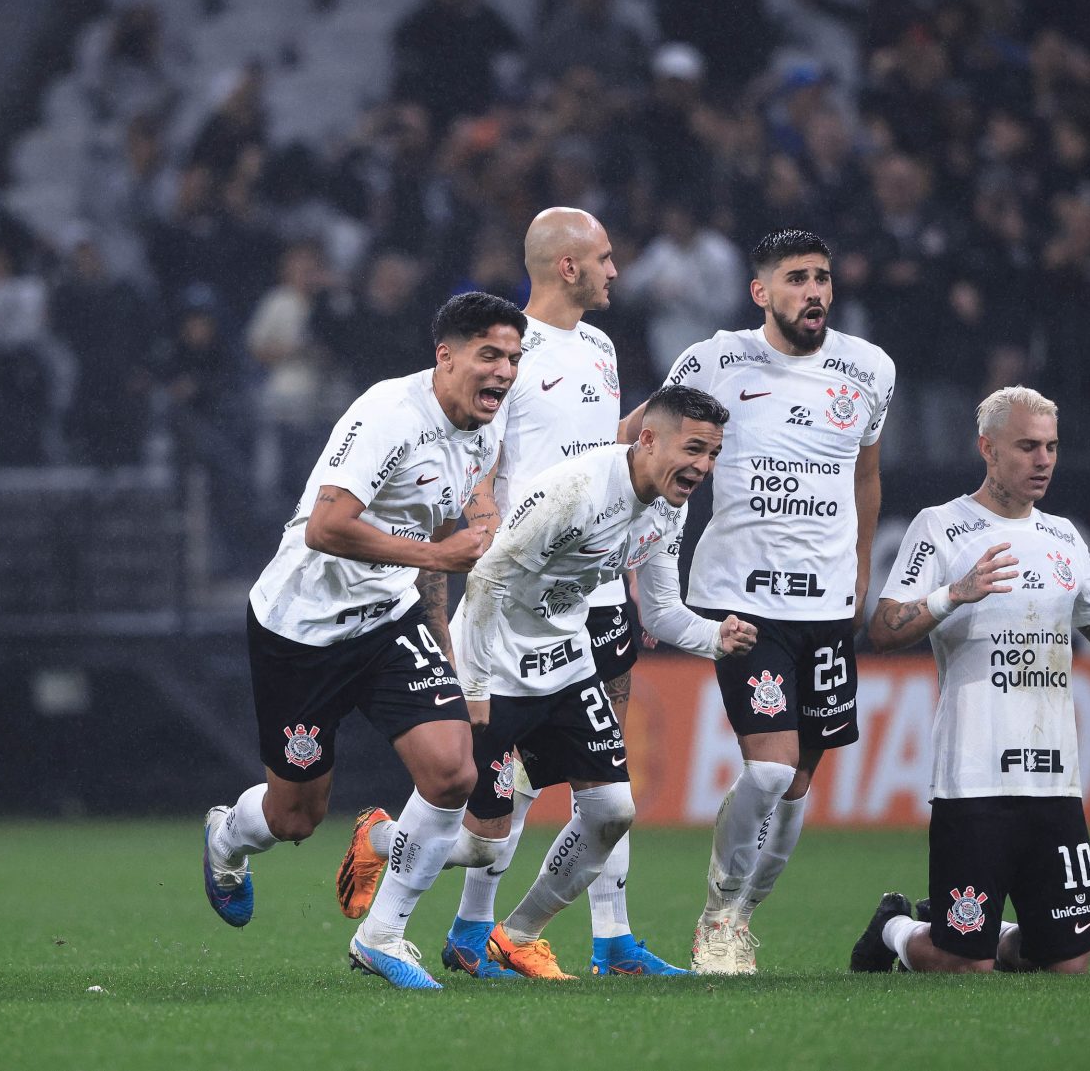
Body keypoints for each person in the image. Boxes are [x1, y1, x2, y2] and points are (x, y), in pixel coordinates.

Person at [365, 387, 754, 983]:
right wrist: (473, 688)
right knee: (482, 845)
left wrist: (712, 638)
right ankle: (381, 866)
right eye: (694, 448)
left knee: (612, 811)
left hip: (568, 665)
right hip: (497, 666)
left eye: (713, 453)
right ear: (647, 439)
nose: (703, 466)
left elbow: (661, 608)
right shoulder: (575, 491)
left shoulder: (668, 508)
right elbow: (488, 581)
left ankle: (514, 935)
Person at [200, 292, 523, 990]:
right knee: (295, 816)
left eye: (514, 358)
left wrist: (443, 646)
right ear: (447, 356)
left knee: (451, 770)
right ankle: (228, 835)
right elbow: (326, 525)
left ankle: (382, 934)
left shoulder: (483, 433)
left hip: (386, 616)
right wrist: (436, 558)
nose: (503, 371)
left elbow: (438, 539)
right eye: (490, 354)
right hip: (301, 630)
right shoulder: (390, 413)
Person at [618, 228, 894, 974]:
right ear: (761, 292)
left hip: (828, 608)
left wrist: (862, 569)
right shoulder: (715, 359)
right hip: (742, 603)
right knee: (769, 772)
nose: (816, 292)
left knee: (799, 785)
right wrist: (600, 525)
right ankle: (715, 914)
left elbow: (865, 477)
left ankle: (741, 915)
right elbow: (639, 439)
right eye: (798, 278)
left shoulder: (869, 368)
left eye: (824, 277)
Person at [430, 207, 686, 978]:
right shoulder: (509, 350)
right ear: (567, 266)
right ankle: (473, 928)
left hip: (596, 584)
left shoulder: (603, 346)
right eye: (604, 258)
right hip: (520, 596)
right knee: (500, 774)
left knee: (605, 765)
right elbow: (476, 457)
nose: (616, 270)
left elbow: (603, 451)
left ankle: (612, 937)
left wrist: (674, 401)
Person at [850, 387, 1090, 976]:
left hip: (1054, 781)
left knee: (1065, 963)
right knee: (964, 964)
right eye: (1027, 446)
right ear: (988, 449)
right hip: (973, 780)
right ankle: (896, 927)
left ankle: (973, 928)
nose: (1043, 459)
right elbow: (883, 628)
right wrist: (955, 594)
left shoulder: (1064, 538)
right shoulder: (942, 528)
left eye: (1050, 446)